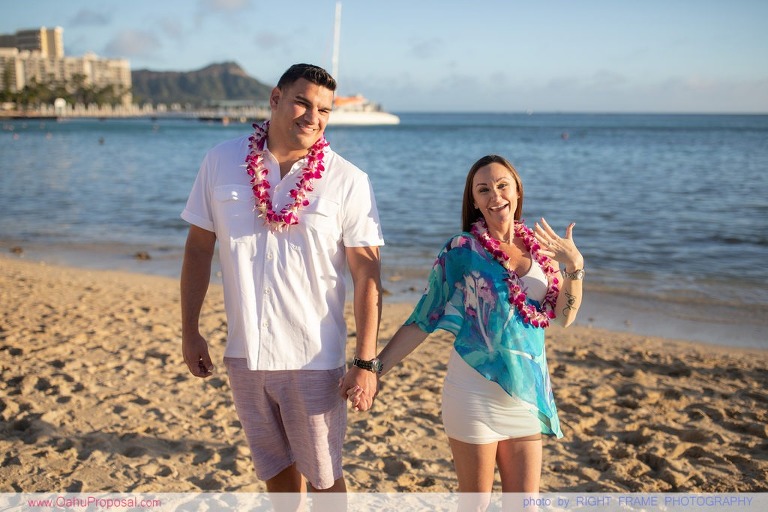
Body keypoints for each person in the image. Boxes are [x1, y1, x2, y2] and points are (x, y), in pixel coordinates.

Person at [180, 63, 384, 503]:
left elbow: (367, 272)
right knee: (274, 474)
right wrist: (190, 330)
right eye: (303, 102)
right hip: (244, 352)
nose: (313, 117)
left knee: (325, 480)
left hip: (313, 356)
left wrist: (365, 362)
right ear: (275, 99)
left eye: (325, 110)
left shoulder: (348, 180)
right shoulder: (220, 161)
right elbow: (198, 248)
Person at [351, 154, 584, 502]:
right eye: (484, 189)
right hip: (472, 397)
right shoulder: (461, 251)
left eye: (502, 185)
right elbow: (422, 319)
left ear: (517, 190)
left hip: (524, 396)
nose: (495, 195)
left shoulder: (544, 253)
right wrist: (372, 368)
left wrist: (575, 265)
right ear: (474, 201)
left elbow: (565, 317)